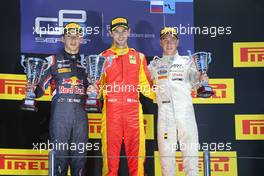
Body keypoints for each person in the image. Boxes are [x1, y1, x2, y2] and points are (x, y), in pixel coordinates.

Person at [96, 17, 155, 176]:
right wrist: (92, 91)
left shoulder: (139, 57)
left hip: (133, 114)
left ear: (129, 32)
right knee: (110, 162)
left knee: (137, 161)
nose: (120, 35)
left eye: (124, 31)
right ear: (110, 33)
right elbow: (98, 87)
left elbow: (146, 86)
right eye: (116, 31)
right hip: (111, 113)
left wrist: (165, 96)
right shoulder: (102, 57)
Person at [148, 27, 207, 176]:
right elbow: (143, 86)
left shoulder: (188, 63)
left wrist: (202, 80)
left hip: (186, 114)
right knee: (166, 163)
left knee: (191, 159)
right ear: (160, 42)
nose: (169, 44)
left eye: (172, 40)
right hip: (165, 115)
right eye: (166, 40)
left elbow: (199, 85)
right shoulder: (153, 66)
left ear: (178, 42)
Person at [35, 22, 88, 176]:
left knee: (80, 162)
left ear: (81, 39)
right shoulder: (52, 61)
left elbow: (95, 92)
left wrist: (93, 90)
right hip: (60, 118)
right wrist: (31, 89)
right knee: (60, 161)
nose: (73, 40)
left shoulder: (87, 63)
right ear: (62, 39)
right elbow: (38, 91)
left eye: (77, 37)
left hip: (81, 117)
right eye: (69, 37)